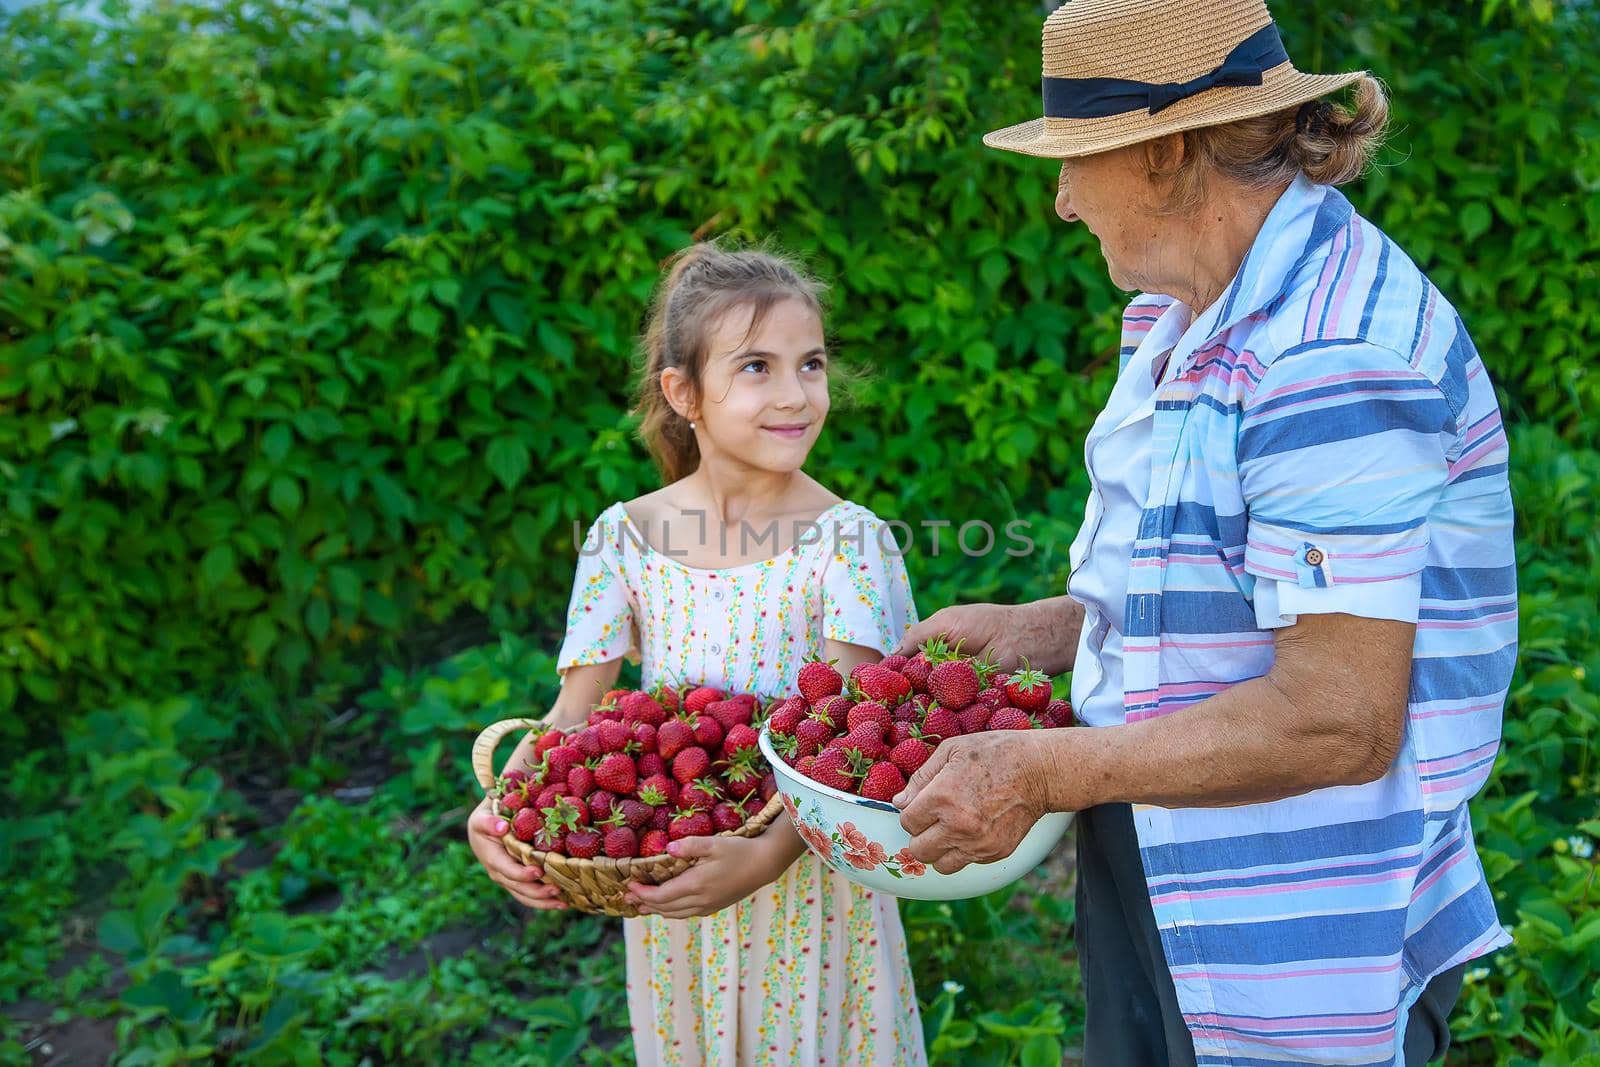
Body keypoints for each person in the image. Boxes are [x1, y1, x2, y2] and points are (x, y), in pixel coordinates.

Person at [893, 2, 1516, 1064]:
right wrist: (1046, 628)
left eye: (1074, 160)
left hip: (1294, 911)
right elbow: (1232, 584)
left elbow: (1334, 716)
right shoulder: (1200, 310)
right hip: (1166, 834)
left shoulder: (1330, 356)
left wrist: (1040, 769)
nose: (1059, 201)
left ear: (1165, 152)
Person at [467, 243, 926, 1066]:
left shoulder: (847, 542)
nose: (795, 395)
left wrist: (761, 858)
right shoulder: (624, 539)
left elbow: (854, 750)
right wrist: (503, 807)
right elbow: (573, 721)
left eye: (811, 363)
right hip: (675, 888)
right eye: (757, 366)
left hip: (808, 893)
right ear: (684, 393)